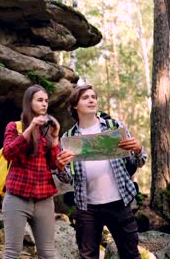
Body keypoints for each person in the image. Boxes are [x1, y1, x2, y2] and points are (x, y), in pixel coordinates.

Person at [56, 85, 147, 259]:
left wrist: (138, 149)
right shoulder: (68, 138)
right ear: (75, 105)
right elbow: (68, 178)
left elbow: (138, 162)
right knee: (88, 256)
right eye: (85, 97)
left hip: (120, 203)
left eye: (93, 97)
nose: (92, 100)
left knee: (131, 255)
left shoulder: (114, 127)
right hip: (87, 208)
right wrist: (60, 167)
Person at [2, 84, 68, 259]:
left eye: (46, 101)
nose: (44, 104)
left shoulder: (48, 130)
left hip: (44, 199)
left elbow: (54, 164)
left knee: (48, 254)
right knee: (12, 253)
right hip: (17, 197)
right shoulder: (14, 127)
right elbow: (8, 153)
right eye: (40, 100)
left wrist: (55, 137)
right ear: (28, 103)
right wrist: (30, 128)